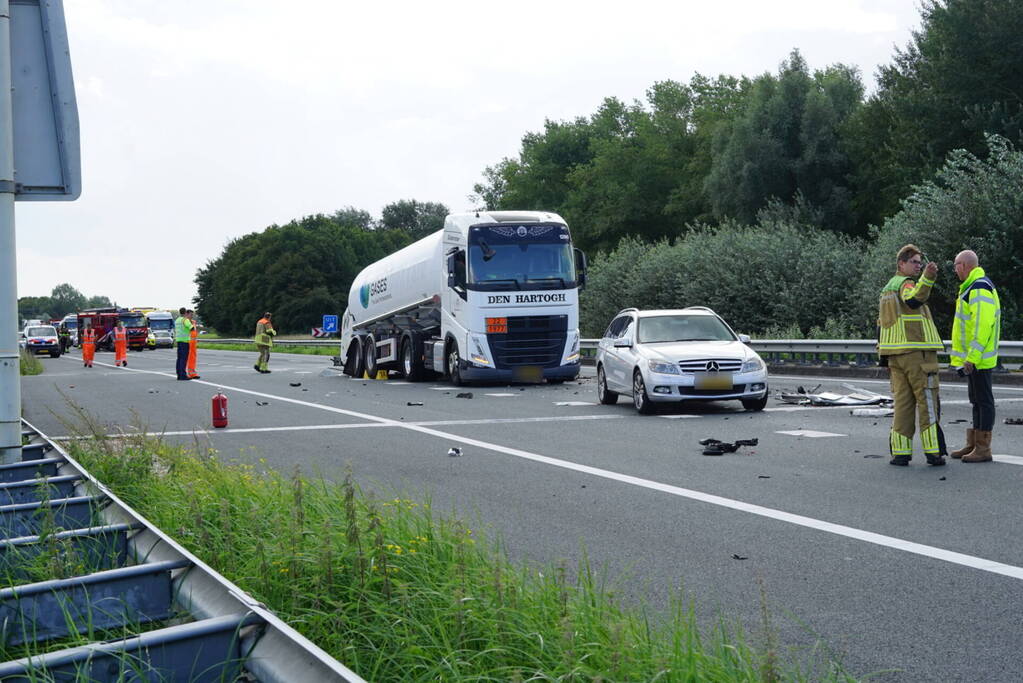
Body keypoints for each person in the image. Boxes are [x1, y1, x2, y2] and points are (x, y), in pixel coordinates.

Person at [877, 244, 946, 466]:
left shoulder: (887, 288)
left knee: (903, 405)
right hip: (917, 354)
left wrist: (883, 356)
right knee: (927, 402)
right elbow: (914, 299)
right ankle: (934, 453)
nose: (919, 266)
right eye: (914, 262)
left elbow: (881, 326)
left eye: (920, 262)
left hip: (895, 355)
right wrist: (928, 279)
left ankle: (901, 453)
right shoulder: (906, 284)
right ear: (901, 264)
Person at [949, 250, 1001, 463]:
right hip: (974, 357)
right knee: (977, 400)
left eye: (956, 265)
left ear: (964, 265)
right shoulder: (972, 287)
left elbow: (982, 326)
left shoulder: (979, 287)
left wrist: (972, 356)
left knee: (983, 400)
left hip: (978, 358)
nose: (954, 270)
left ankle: (983, 448)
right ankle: (974, 443)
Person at [174, 307, 194, 380]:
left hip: (178, 341)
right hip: (185, 341)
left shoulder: (177, 320)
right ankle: (183, 375)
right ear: (185, 313)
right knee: (184, 359)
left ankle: (179, 375)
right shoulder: (185, 320)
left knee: (179, 359)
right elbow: (192, 328)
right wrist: (191, 322)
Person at [185, 309, 200, 379]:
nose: (192, 316)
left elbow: (194, 332)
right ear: (187, 314)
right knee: (187, 358)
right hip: (187, 342)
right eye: (191, 315)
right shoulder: (185, 321)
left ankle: (193, 373)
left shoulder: (193, 322)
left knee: (193, 358)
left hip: (193, 343)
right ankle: (186, 373)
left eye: (192, 315)